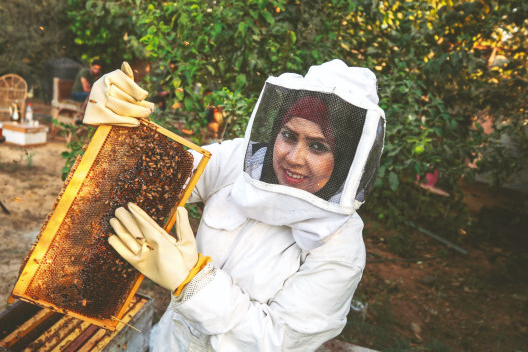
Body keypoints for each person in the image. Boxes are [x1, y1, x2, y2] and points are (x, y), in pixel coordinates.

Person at [83, 60, 386, 351]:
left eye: (318, 146)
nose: (294, 157)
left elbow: (277, 342)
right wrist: (121, 130)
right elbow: (156, 181)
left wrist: (192, 283)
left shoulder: (341, 248)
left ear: (345, 162)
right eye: (289, 136)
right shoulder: (240, 161)